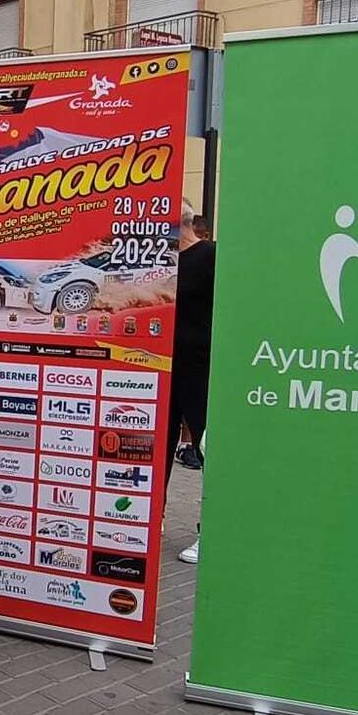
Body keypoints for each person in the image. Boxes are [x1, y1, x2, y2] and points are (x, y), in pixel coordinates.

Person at [168, 199, 216, 564]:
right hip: (157, 370)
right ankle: (150, 522)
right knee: (151, 452)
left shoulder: (211, 256)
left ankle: (211, 531)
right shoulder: (154, 264)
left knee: (206, 450)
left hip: (201, 370)